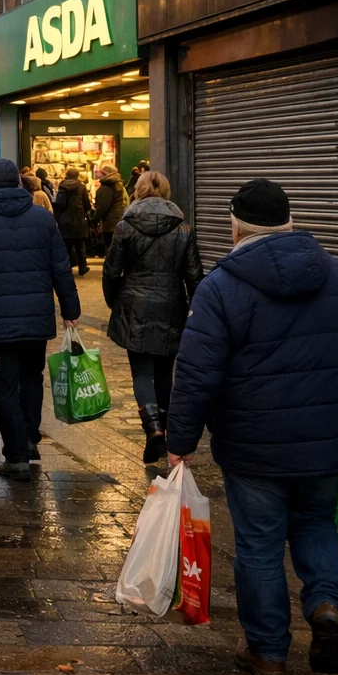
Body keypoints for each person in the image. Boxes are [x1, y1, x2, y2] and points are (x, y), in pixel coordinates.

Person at [167, 179, 338, 675]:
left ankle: (268, 654)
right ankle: (327, 605)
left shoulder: (221, 287)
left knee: (260, 546)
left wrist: (179, 440)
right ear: (290, 221)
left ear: (236, 225)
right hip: (326, 438)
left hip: (253, 445)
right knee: (316, 524)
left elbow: (197, 373)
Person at [0, 159, 81, 481]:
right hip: (36, 318)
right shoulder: (42, 218)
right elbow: (61, 267)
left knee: (5, 386)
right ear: (19, 182)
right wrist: (71, 311)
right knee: (32, 378)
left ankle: (18, 456)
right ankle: (29, 438)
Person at [100, 171, 203, 464]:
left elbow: (111, 270)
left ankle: (154, 431)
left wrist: (115, 301)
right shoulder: (183, 228)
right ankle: (162, 432)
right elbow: (194, 275)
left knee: (142, 372)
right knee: (163, 374)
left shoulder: (125, 226)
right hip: (172, 305)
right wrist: (195, 310)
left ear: (138, 191)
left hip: (134, 305)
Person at [52, 168, 93, 275]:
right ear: (77, 175)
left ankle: (66, 267)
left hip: (65, 220)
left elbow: (59, 205)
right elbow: (87, 204)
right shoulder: (82, 187)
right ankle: (82, 267)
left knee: (66, 246)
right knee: (80, 246)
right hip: (78, 219)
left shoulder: (62, 186)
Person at [90, 163, 129, 257]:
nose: (99, 175)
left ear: (106, 174)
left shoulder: (106, 187)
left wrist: (94, 221)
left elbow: (102, 208)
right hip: (120, 222)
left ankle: (111, 271)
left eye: (101, 173)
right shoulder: (119, 185)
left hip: (110, 224)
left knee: (111, 251)